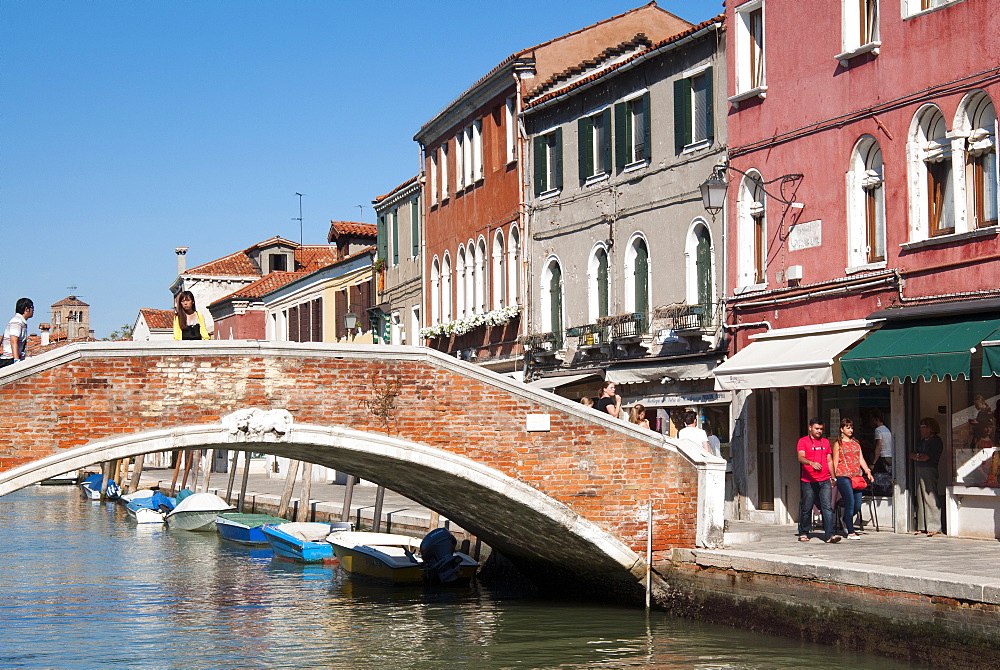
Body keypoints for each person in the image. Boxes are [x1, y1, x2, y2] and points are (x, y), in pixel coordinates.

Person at [797, 418, 841, 543]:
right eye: (817, 428)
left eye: (821, 429)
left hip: (825, 480)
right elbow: (800, 457)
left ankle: (829, 535)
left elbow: (829, 460)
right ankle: (803, 532)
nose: (819, 431)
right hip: (808, 481)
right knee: (807, 507)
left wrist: (833, 477)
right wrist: (811, 463)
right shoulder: (803, 441)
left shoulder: (826, 442)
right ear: (810, 428)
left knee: (827, 507)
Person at [833, 418, 873, 540]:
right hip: (843, 475)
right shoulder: (838, 444)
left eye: (851, 427)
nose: (850, 430)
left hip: (856, 476)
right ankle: (851, 531)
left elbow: (861, 459)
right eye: (847, 427)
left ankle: (845, 519)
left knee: (857, 504)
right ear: (842, 429)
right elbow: (835, 461)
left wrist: (868, 471)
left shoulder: (856, 443)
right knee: (849, 502)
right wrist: (833, 477)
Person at [910, 417, 944, 536]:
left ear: (930, 428)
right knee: (920, 496)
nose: (921, 429)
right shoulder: (922, 441)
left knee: (930, 496)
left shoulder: (935, 441)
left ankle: (935, 526)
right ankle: (922, 526)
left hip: (929, 469)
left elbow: (927, 457)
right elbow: (912, 454)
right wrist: (919, 456)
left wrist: (918, 456)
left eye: (923, 427)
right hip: (920, 468)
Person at [0, 298, 34, 368]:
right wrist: (16, 361)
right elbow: (13, 341)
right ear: (26, 309)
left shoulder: (21, 322)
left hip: (11, 359)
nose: (33, 310)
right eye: (32, 307)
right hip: (8, 360)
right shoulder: (17, 321)